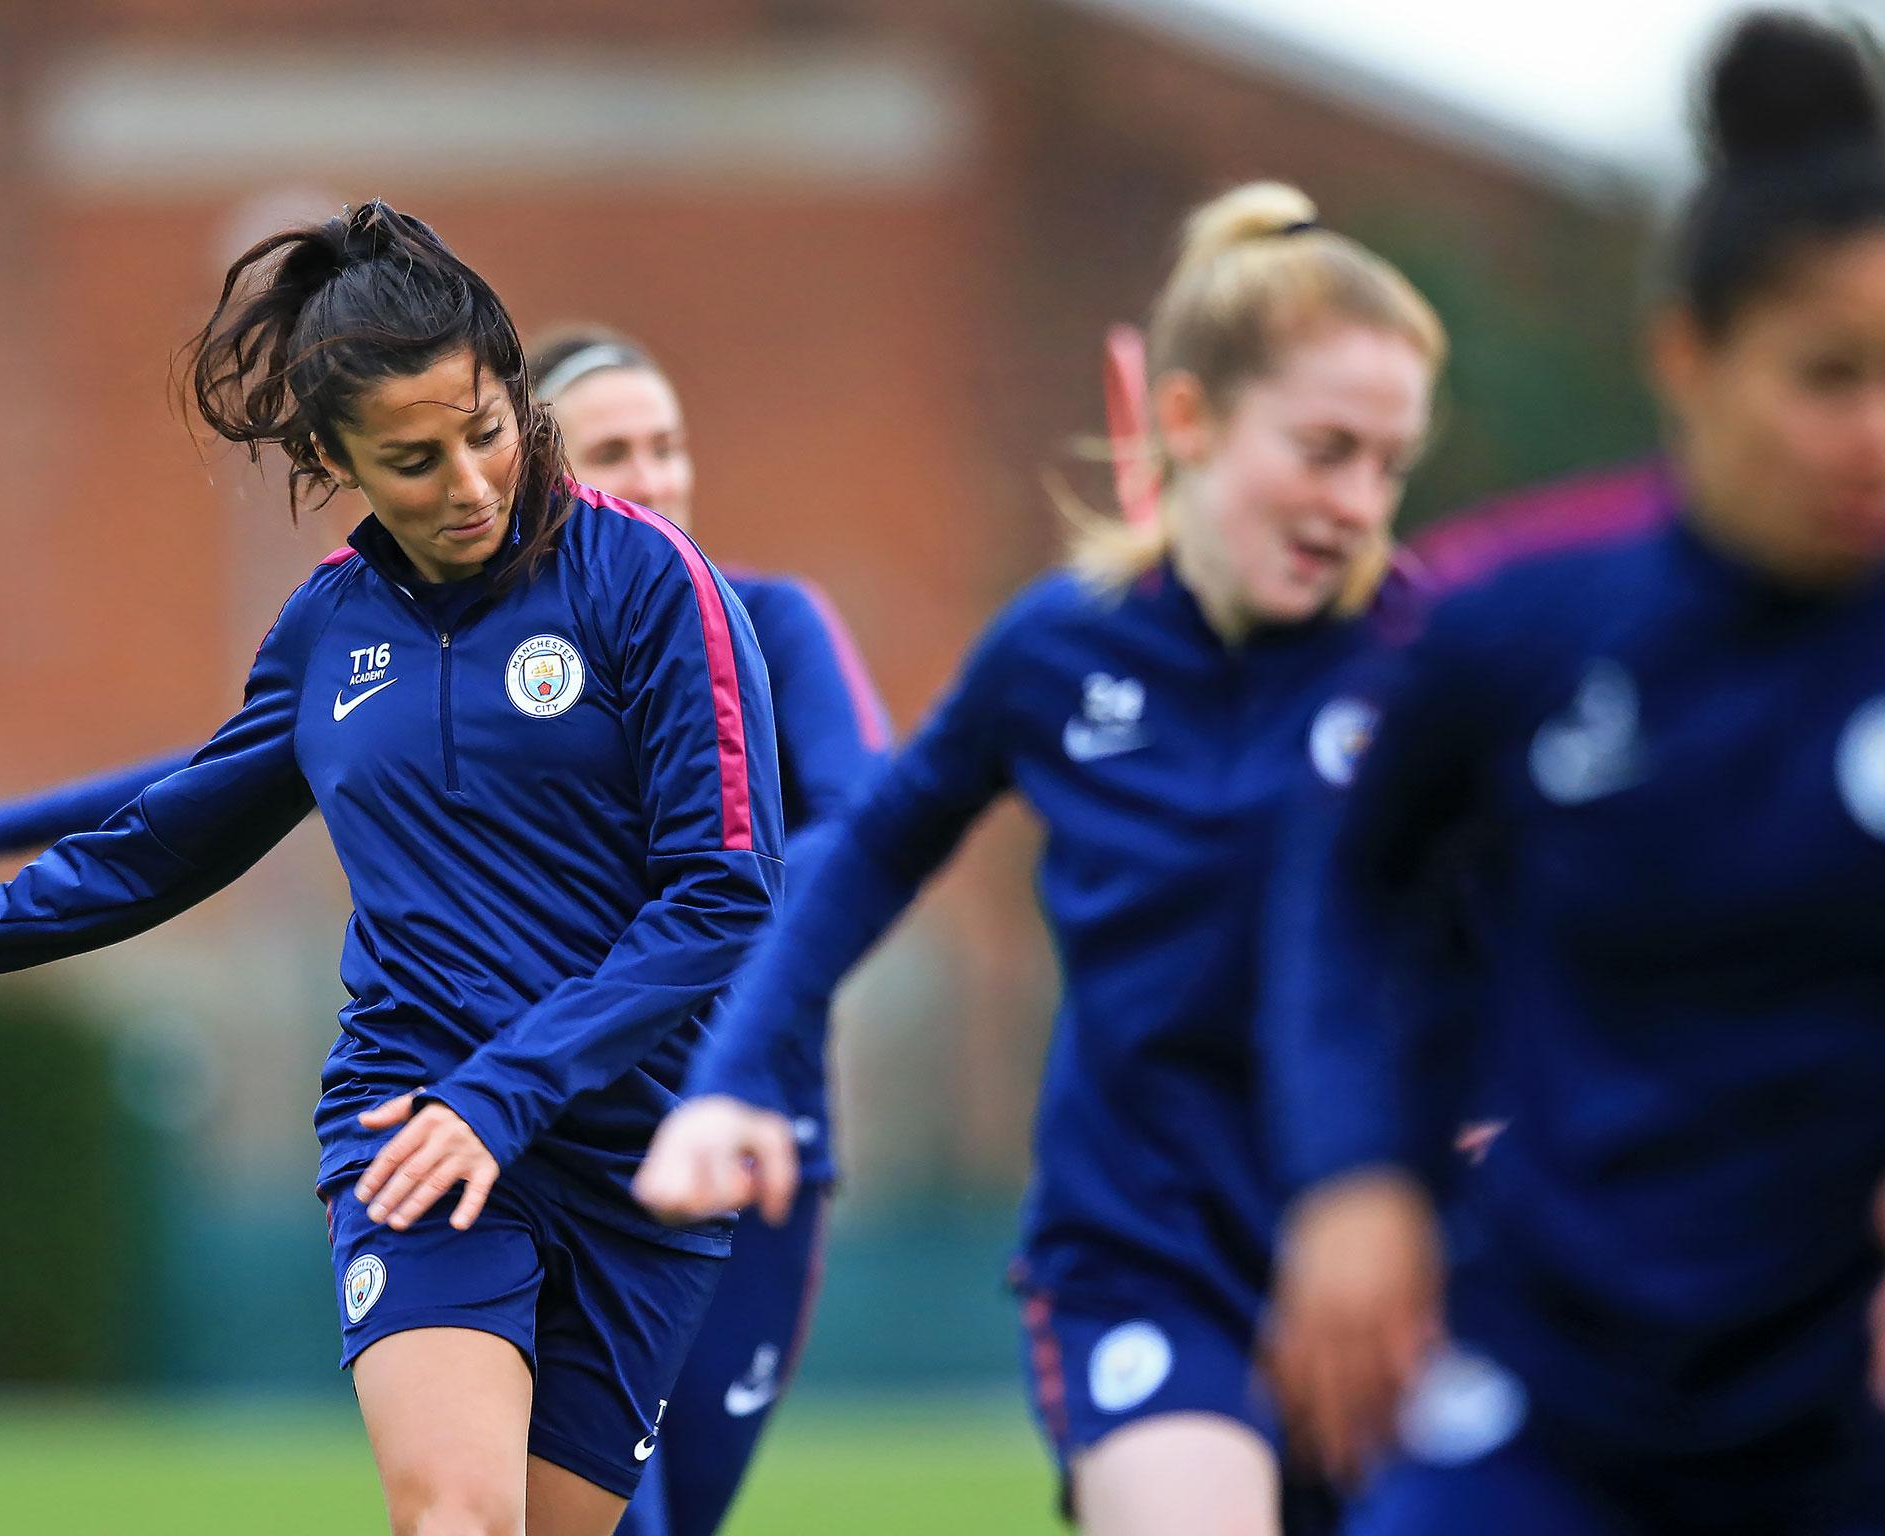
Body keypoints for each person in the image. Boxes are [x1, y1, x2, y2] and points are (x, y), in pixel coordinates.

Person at [0, 320, 888, 1536]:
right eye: (617, 449)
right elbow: (205, 796)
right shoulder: (340, 622)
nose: (472, 483)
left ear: (516, 428)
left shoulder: (690, 598)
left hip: (673, 1131)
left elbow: (783, 863)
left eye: (665, 445)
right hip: (417, 1114)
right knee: (458, 1518)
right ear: (346, 462)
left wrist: (753, 985)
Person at [634, 181, 1445, 1536]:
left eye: (1390, 463)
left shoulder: (1434, 662)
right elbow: (868, 850)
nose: (1358, 502)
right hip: (1147, 1253)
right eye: (1323, 450)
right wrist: (735, 1079)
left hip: (1382, 1253)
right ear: (1185, 419)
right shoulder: (1060, 650)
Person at [1264, 14, 1885, 1533]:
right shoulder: (1518, 637)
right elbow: (1348, 900)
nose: (1875, 431)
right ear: (1686, 354)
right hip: (1554, 1386)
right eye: (1828, 374)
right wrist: (1359, 1176)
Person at [528, 326, 889, 1536]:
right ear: (541, 479)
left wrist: (724, 904)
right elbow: (271, 752)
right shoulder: (510, 665)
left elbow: (862, 820)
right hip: (561, 1150)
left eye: (669, 444)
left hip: (750, 1148)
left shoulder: (772, 624)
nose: (656, 475)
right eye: (614, 451)